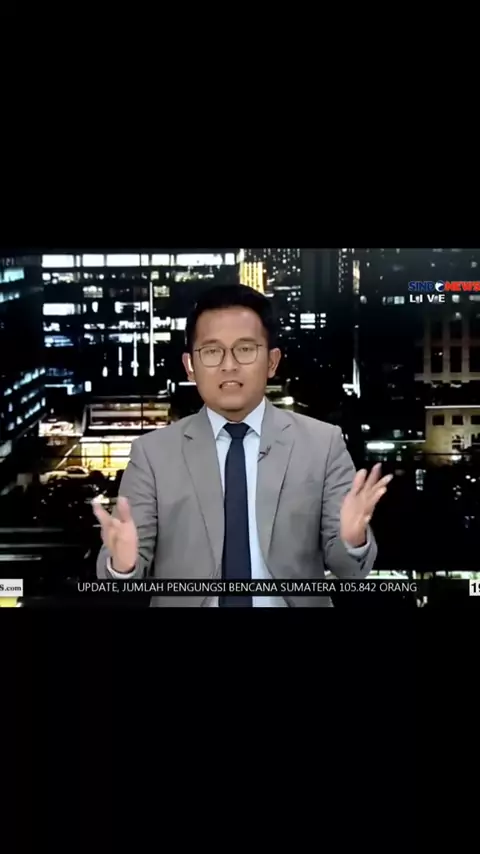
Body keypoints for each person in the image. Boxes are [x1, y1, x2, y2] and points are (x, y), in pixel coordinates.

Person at [94, 284, 392, 606]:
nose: (229, 365)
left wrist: (352, 540)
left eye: (245, 349)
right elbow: (120, 581)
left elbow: (350, 570)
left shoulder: (323, 444)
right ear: (190, 366)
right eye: (212, 351)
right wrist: (122, 566)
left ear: (272, 362)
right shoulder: (152, 454)